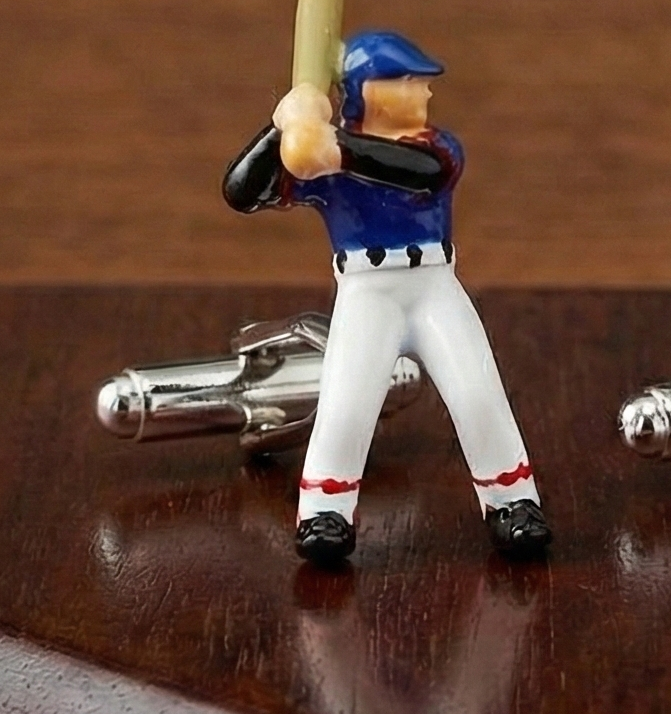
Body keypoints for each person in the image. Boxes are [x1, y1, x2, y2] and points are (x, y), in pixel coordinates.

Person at [222, 30, 549, 567]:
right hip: (365, 294)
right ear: (367, 91)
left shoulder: (434, 147)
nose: (423, 92)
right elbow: (240, 192)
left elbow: (419, 173)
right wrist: (280, 127)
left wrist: (333, 147)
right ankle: (324, 513)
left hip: (434, 286)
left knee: (477, 393)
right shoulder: (321, 160)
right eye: (406, 81)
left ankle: (513, 503)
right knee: (347, 404)